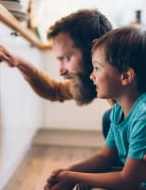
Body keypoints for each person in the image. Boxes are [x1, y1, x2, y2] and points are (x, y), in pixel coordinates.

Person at [44, 26, 146, 190]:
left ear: (126, 76)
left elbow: (128, 180)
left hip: (135, 182)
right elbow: (106, 156)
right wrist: (69, 171)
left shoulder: (143, 116)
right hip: (133, 179)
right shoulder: (118, 111)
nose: (92, 75)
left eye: (97, 68)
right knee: (82, 182)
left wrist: (72, 177)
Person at [0, 8, 114, 134]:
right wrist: (19, 62)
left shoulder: (134, 100)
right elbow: (53, 91)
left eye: (65, 58)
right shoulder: (104, 79)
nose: (61, 71)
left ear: (95, 49)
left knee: (109, 119)